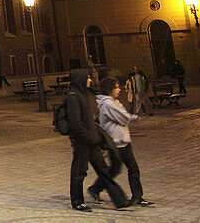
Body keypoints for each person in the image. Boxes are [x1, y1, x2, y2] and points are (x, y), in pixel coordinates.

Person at [64, 68, 129, 212]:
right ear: (80, 79)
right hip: (82, 142)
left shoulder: (83, 95)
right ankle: (77, 201)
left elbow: (87, 121)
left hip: (92, 142)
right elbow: (75, 124)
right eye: (88, 78)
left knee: (103, 170)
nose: (90, 80)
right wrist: (88, 136)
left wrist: (96, 136)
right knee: (79, 173)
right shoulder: (73, 97)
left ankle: (119, 200)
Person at [89, 77, 154, 208]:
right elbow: (123, 117)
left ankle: (96, 189)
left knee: (116, 169)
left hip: (121, 141)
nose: (119, 89)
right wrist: (135, 117)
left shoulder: (112, 102)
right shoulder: (109, 104)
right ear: (110, 89)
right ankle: (137, 196)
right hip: (117, 143)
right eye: (116, 87)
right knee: (130, 168)